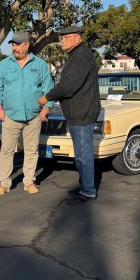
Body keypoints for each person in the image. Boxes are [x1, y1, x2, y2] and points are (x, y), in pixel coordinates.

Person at [38, 26, 100, 204]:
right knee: (81, 154)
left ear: (77, 39)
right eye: (61, 38)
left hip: (81, 113)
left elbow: (67, 86)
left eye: (65, 38)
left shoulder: (80, 57)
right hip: (79, 112)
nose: (62, 41)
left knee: (82, 155)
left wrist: (46, 97)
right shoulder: (79, 55)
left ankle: (88, 191)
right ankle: (85, 187)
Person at [0, 31, 54, 196]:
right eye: (13, 44)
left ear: (27, 45)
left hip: (33, 116)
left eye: (18, 44)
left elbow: (49, 89)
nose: (14, 47)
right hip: (10, 115)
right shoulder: (4, 65)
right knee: (6, 151)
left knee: (31, 150)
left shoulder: (39, 64)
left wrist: (46, 109)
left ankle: (29, 181)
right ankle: (3, 183)